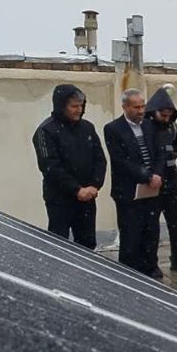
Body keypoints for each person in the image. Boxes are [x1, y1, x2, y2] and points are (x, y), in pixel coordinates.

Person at [32, 84, 106, 250]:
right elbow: (50, 166)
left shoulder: (87, 128)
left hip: (87, 197)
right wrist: (76, 189)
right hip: (60, 198)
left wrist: (95, 185)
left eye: (81, 106)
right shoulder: (45, 131)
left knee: (87, 244)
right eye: (74, 106)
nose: (79, 110)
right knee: (59, 244)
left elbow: (99, 159)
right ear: (61, 106)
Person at [103, 89, 165, 277]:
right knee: (131, 233)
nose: (140, 111)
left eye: (142, 106)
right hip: (128, 191)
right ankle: (130, 271)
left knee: (151, 231)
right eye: (136, 107)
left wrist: (157, 174)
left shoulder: (150, 126)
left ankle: (151, 265)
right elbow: (120, 160)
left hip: (152, 189)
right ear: (125, 107)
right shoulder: (113, 129)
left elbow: (160, 152)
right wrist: (146, 176)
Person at [144, 86, 177, 275]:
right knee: (152, 226)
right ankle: (152, 262)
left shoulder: (172, 126)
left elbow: (175, 148)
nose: (166, 118)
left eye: (168, 115)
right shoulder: (145, 127)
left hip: (172, 179)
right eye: (162, 115)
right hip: (152, 181)